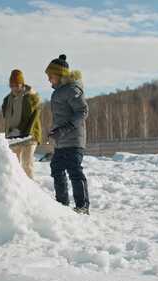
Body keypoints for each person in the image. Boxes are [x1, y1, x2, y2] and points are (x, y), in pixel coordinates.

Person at [45, 55, 91, 215]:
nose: (49, 79)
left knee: (74, 170)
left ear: (59, 75)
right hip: (62, 141)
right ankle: (62, 203)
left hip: (74, 139)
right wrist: (54, 131)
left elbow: (82, 111)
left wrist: (65, 128)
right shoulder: (58, 92)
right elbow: (61, 116)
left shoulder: (72, 89)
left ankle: (82, 206)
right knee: (56, 168)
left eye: (51, 76)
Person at [1, 69, 42, 179]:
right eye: (12, 85)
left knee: (27, 164)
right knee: (13, 164)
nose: (14, 88)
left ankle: (30, 190)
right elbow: (6, 117)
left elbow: (32, 116)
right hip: (13, 136)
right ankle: (17, 190)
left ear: (22, 84)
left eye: (17, 85)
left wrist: (22, 130)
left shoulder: (30, 97)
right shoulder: (7, 99)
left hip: (29, 135)